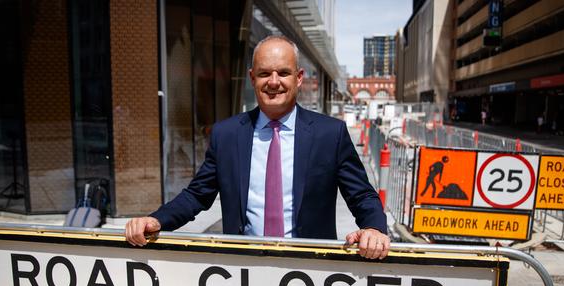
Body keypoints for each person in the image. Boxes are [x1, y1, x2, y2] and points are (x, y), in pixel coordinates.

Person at [125, 35, 390, 260]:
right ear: (252, 78)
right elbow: (197, 195)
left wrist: (374, 228)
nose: (273, 82)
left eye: (283, 73)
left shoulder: (330, 134)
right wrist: (157, 220)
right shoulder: (226, 134)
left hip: (311, 269)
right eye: (264, 73)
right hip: (243, 269)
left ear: (298, 78)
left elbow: (362, 196)